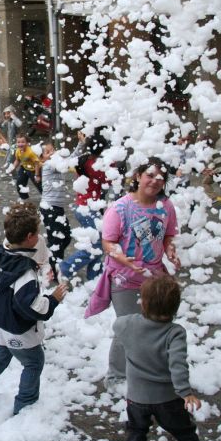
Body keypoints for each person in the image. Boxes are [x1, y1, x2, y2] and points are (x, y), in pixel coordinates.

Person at [0, 203, 68, 418]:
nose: (39, 237)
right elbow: (32, 306)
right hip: (17, 329)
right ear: (29, 237)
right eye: (37, 233)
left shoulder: (0, 254)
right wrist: (53, 300)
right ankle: (26, 406)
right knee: (34, 362)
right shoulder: (25, 273)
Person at [91, 157, 180, 394]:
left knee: (156, 324)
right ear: (138, 176)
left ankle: (149, 368)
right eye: (150, 175)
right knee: (128, 326)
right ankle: (116, 375)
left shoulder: (166, 206)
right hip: (124, 278)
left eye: (160, 177)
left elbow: (169, 234)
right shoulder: (120, 207)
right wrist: (122, 257)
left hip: (155, 278)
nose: (154, 181)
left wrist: (170, 250)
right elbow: (107, 242)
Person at [114, 275, 207, 441]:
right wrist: (185, 392)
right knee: (185, 434)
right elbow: (177, 365)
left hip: (136, 398)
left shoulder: (126, 324)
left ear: (143, 303)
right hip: (168, 399)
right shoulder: (175, 333)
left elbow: (118, 327)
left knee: (136, 432)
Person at [59, 134, 109, 281]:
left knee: (95, 243)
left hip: (83, 207)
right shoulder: (95, 166)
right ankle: (66, 267)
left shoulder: (85, 160)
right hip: (88, 209)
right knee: (97, 245)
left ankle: (94, 276)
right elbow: (108, 179)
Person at [38, 142, 72, 278]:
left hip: (57, 209)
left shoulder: (57, 164)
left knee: (66, 237)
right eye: (47, 152)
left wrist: (81, 145)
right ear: (42, 158)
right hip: (50, 209)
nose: (51, 153)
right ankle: (55, 271)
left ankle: (49, 259)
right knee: (57, 241)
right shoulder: (49, 165)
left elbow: (70, 160)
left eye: (52, 150)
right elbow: (66, 163)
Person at [9, 134, 42, 200]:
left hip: (34, 169)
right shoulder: (18, 150)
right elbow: (17, 160)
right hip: (24, 167)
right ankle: (24, 199)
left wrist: (37, 175)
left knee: (39, 185)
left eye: (23, 142)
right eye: (18, 142)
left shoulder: (30, 152)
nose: (20, 144)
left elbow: (36, 163)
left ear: (27, 143)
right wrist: (12, 168)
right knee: (19, 184)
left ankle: (48, 199)